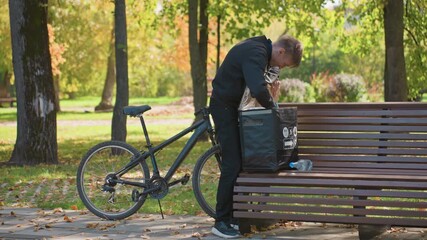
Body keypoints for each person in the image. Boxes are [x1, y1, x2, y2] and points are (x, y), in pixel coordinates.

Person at [209, 35, 303, 239]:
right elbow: (257, 87)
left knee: (242, 161)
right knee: (232, 163)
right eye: (285, 64)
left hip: (233, 108)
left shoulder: (259, 50)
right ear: (281, 52)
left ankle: (236, 218)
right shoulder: (256, 52)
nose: (282, 68)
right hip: (224, 107)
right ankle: (221, 221)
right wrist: (274, 110)